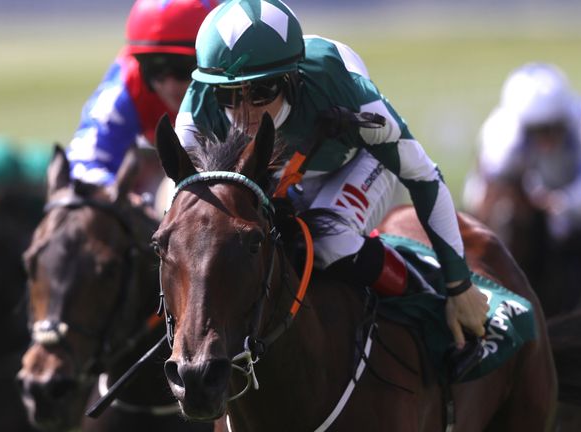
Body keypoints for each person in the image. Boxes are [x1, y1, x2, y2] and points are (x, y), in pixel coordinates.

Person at [175, 0, 489, 349]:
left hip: (355, 163)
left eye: (261, 92)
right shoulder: (195, 116)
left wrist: (458, 285)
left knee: (329, 241)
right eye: (228, 95)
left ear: (292, 80)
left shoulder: (347, 91)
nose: (244, 112)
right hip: (281, 177)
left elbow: (424, 176)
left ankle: (428, 298)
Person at [66, 0, 219, 188]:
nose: (169, 87)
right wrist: (114, 193)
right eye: (153, 68)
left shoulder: (240, 80)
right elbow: (82, 162)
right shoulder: (129, 81)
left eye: (182, 67)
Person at [463, 62, 581, 241]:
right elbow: (479, 194)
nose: (546, 141)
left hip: (576, 222)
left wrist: (562, 205)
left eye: (552, 128)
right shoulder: (501, 134)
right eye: (536, 131)